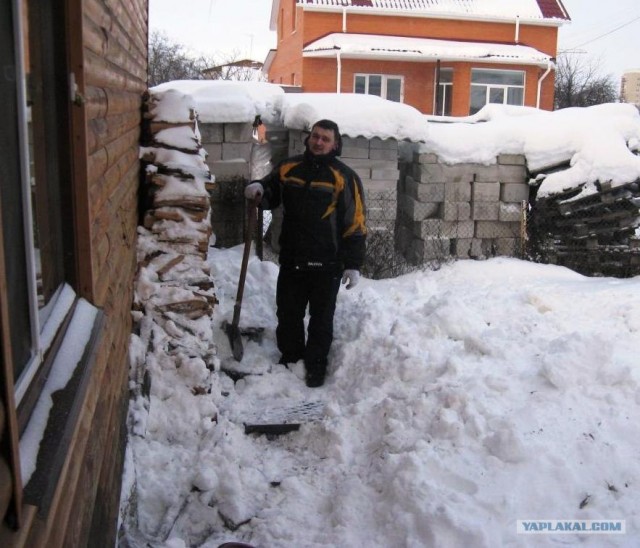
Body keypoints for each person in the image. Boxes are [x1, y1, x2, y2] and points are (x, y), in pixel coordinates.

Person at [244, 119, 367, 387]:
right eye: (316, 136)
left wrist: (353, 264)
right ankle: (290, 358)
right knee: (288, 314)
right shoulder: (289, 167)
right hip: (293, 258)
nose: (319, 142)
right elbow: (270, 192)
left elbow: (354, 222)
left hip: (328, 264)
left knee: (321, 320)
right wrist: (258, 189)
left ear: (335, 144)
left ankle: (315, 365)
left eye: (325, 138)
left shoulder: (344, 176)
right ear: (309, 138)